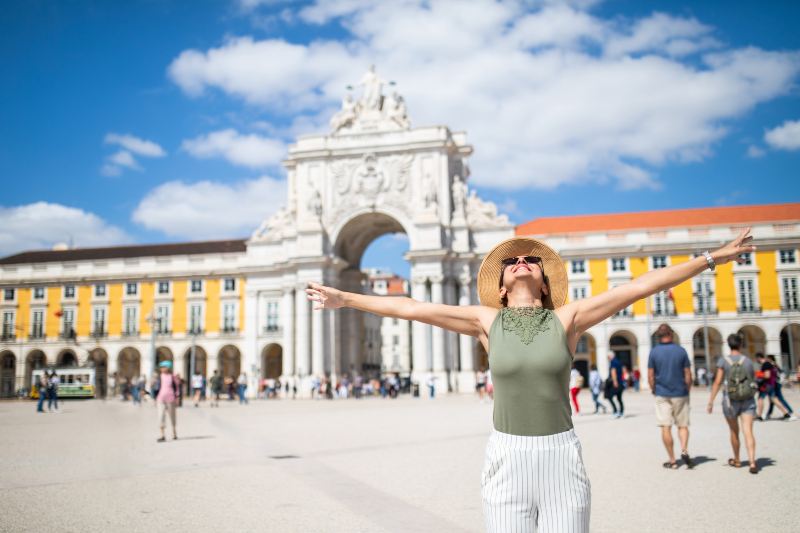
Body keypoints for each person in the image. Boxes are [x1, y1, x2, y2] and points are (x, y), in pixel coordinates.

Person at [305, 228, 755, 532]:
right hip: (507, 455)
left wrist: (711, 258)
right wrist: (343, 297)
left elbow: (638, 286)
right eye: (513, 261)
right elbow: (411, 308)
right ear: (501, 285)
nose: (522, 262)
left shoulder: (569, 318)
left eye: (532, 260)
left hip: (561, 455)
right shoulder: (485, 321)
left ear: (543, 282)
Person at [707, 333, 759, 474]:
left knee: (734, 431)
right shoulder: (747, 361)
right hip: (747, 399)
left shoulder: (723, 361)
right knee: (748, 431)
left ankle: (737, 460)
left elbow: (717, 382)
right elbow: (752, 380)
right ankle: (752, 462)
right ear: (741, 344)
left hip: (730, 401)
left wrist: (711, 401)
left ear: (728, 344)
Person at [647, 324, 693, 469]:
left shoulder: (654, 352)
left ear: (658, 336)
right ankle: (684, 450)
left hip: (662, 392)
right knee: (683, 425)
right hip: (680, 392)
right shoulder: (681, 351)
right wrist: (688, 388)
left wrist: (654, 389)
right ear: (671, 334)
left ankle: (672, 460)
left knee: (665, 427)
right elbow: (688, 374)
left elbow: (650, 375)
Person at [755, 353, 791, 420]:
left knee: (760, 399)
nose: (756, 360)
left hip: (766, 385)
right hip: (771, 384)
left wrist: (758, 374)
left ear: (759, 358)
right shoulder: (768, 364)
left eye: (756, 359)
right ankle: (786, 413)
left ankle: (759, 416)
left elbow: (767, 375)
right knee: (774, 399)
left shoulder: (765, 364)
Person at [152, 360, 178, 442]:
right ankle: (162, 435)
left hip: (171, 399)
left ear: (168, 367)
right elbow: (154, 387)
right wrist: (154, 398)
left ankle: (174, 432)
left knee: (172, 416)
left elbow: (177, 388)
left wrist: (177, 398)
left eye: (164, 367)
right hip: (160, 399)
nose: (162, 368)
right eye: (161, 367)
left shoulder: (172, 376)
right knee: (161, 416)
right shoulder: (159, 376)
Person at [766, 355, 796, 420]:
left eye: (767, 358)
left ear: (770, 358)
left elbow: (777, 374)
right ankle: (768, 414)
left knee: (777, 398)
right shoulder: (774, 364)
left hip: (776, 383)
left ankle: (789, 411)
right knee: (773, 399)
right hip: (776, 383)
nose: (766, 359)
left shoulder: (772, 365)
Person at [606, 353, 625, 418]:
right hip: (621, 382)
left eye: (608, 357)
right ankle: (621, 413)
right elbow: (623, 370)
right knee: (619, 398)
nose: (607, 358)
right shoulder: (619, 361)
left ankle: (615, 412)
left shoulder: (613, 362)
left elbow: (613, 371)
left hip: (616, 383)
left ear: (610, 356)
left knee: (609, 396)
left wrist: (615, 382)